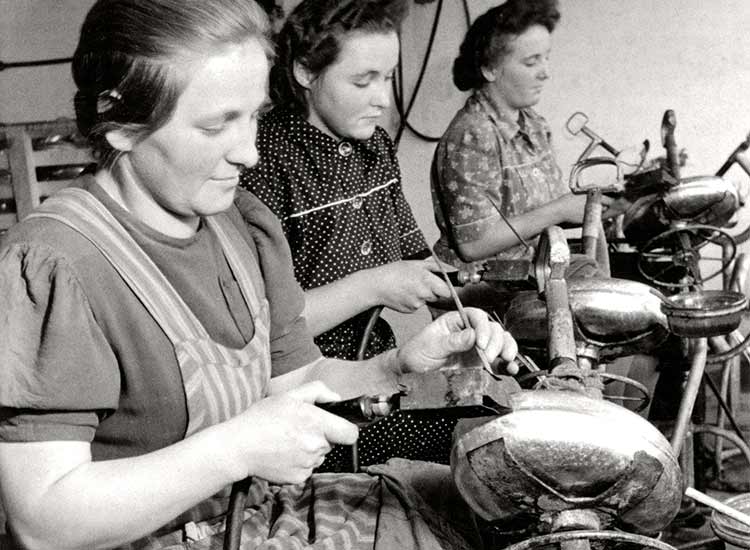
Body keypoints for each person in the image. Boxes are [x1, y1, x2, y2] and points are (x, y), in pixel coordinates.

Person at [0, 1, 517, 549]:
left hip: (252, 519)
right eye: (217, 123)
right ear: (121, 124)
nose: (249, 151)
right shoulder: (59, 264)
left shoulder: (239, 222)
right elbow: (44, 521)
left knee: (491, 508)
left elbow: (291, 380)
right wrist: (235, 449)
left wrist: (397, 368)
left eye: (253, 116)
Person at [240, 0, 459, 470]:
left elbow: (418, 261)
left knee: (449, 453)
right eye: (363, 80)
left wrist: (471, 310)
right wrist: (375, 285)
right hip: (304, 388)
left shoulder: (377, 146)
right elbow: (264, 330)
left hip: (379, 365)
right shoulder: (261, 160)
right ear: (304, 71)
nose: (383, 98)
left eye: (388, 77)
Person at [431, 0, 621, 279]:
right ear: (489, 69)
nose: (546, 72)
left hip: (534, 273)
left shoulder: (533, 124)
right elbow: (473, 244)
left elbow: (546, 212)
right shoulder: (472, 135)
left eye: (546, 58)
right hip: (484, 288)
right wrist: (559, 210)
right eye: (531, 61)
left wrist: (613, 204)